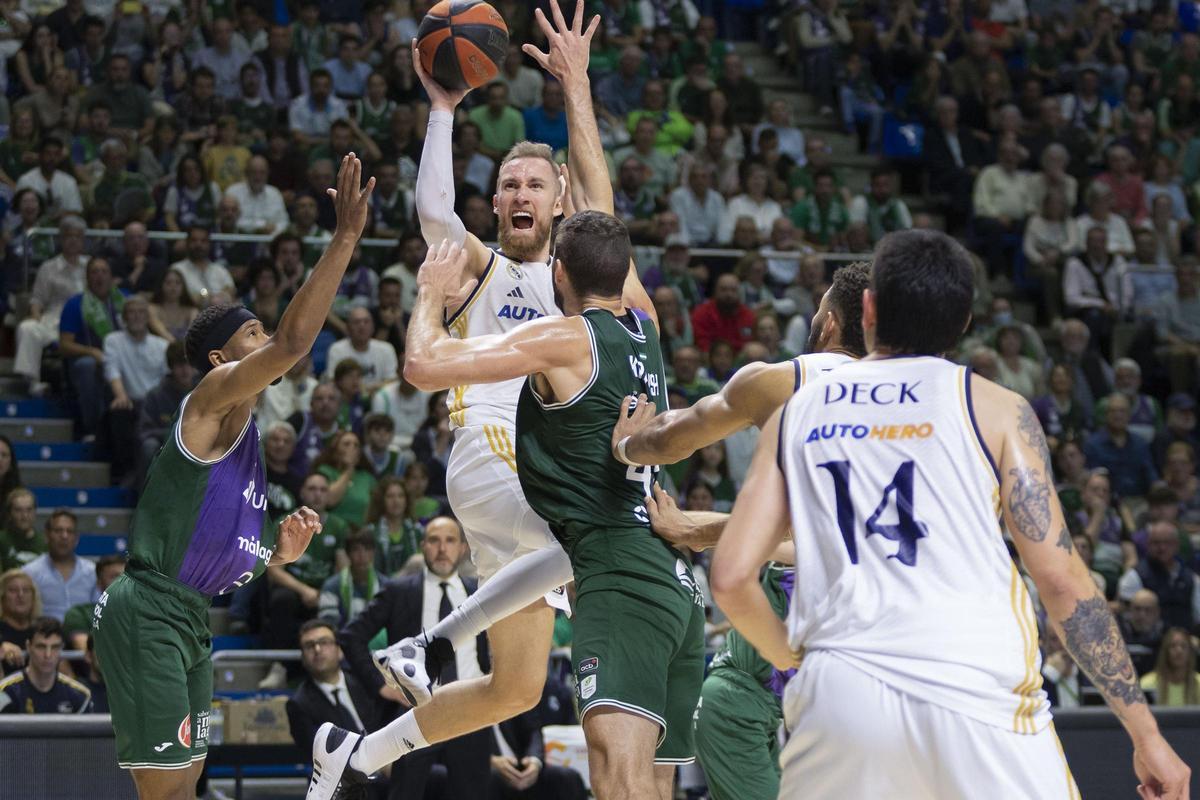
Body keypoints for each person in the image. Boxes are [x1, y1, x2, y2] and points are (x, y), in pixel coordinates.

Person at [709, 229, 1189, 797]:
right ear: (963, 323)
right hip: (977, 688)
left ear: (867, 308)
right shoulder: (999, 409)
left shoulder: (800, 408)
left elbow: (732, 577)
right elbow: (1062, 583)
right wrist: (1145, 732)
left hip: (842, 697)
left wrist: (790, 654)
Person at [309, 9, 654, 798]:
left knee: (517, 688)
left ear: (559, 198)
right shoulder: (483, 269)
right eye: (507, 185)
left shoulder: (583, 279)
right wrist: (441, 111)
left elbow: (602, 200)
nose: (520, 192)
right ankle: (424, 645)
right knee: (604, 541)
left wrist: (577, 89)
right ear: (495, 205)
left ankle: (355, 752)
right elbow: (435, 217)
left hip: (532, 485)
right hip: (492, 451)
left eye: (535, 182)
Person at [90, 154, 371, 799]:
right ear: (221, 358)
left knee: (188, 784)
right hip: (149, 610)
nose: (267, 337)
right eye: (253, 332)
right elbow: (295, 345)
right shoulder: (209, 400)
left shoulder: (246, 443)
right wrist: (345, 238)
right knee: (165, 792)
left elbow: (220, 543)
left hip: (190, 616)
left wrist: (279, 550)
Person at [611, 262, 871, 478]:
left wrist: (626, 447)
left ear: (829, 325)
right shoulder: (908, 395)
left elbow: (672, 440)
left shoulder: (777, 381)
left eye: (819, 311)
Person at [337, 517, 494, 799]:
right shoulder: (400, 591)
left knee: (473, 793)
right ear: (423, 547)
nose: (442, 548)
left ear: (462, 548)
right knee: (405, 793)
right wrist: (380, 684)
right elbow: (351, 637)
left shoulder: (479, 591)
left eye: (450, 540)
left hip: (471, 708)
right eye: (434, 540)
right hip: (416, 709)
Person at [287, 618, 382, 756]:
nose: (317, 649)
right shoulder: (299, 704)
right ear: (302, 657)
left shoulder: (365, 682)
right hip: (344, 773)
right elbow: (318, 754)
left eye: (324, 642)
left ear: (340, 650)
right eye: (309, 646)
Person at [1117, 522, 1200, 632]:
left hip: (1182, 641)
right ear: (1148, 545)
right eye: (1156, 543)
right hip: (1146, 641)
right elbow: (1127, 616)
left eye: (1167, 543)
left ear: (1177, 545)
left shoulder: (1191, 578)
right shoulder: (1134, 576)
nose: (1162, 548)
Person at [0, 617, 91, 714]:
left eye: (55, 647)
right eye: (41, 646)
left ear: (62, 648)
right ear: (28, 646)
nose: (48, 655)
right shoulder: (6, 692)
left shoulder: (79, 696)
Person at [21, 510, 95, 622]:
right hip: (44, 635)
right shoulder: (30, 573)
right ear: (47, 535)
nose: (64, 536)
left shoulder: (92, 571)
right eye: (58, 530)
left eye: (69, 531)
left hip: (84, 635)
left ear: (76, 538)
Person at [324, 307, 398, 396]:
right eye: (356, 322)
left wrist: (366, 390)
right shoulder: (336, 349)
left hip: (379, 398)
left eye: (366, 322)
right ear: (348, 327)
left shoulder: (387, 349)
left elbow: (392, 381)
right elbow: (333, 381)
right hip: (347, 400)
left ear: (373, 326)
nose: (362, 326)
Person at [318, 531, 384, 630]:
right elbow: (328, 627)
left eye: (367, 549)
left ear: (374, 553)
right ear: (348, 554)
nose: (362, 555)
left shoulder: (385, 585)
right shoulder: (331, 586)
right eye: (356, 550)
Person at [62, 555, 124, 650]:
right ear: (99, 583)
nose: (123, 582)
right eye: (114, 576)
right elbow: (89, 651)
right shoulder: (79, 614)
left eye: (127, 577)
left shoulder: (146, 612)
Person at [1138, 627, 1200, 706]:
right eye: (1173, 646)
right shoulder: (1147, 685)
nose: (1179, 650)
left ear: (1190, 652)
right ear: (1165, 651)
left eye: (1183, 646)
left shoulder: (1198, 683)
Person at [0, 570, 40, 676]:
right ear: (2, 597)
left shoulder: (43, 628)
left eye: (26, 590)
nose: (20, 595)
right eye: (13, 590)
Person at [1120, 589, 1166, 677]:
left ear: (1157, 612)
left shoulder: (1165, 637)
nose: (1142, 615)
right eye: (1137, 609)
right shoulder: (1117, 634)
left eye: (1148, 610)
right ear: (1129, 610)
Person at [0, 490, 42, 571]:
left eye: (29, 510)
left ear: (35, 512)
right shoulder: (2, 540)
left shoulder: (46, 543)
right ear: (9, 514)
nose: (24, 516)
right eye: (18, 510)